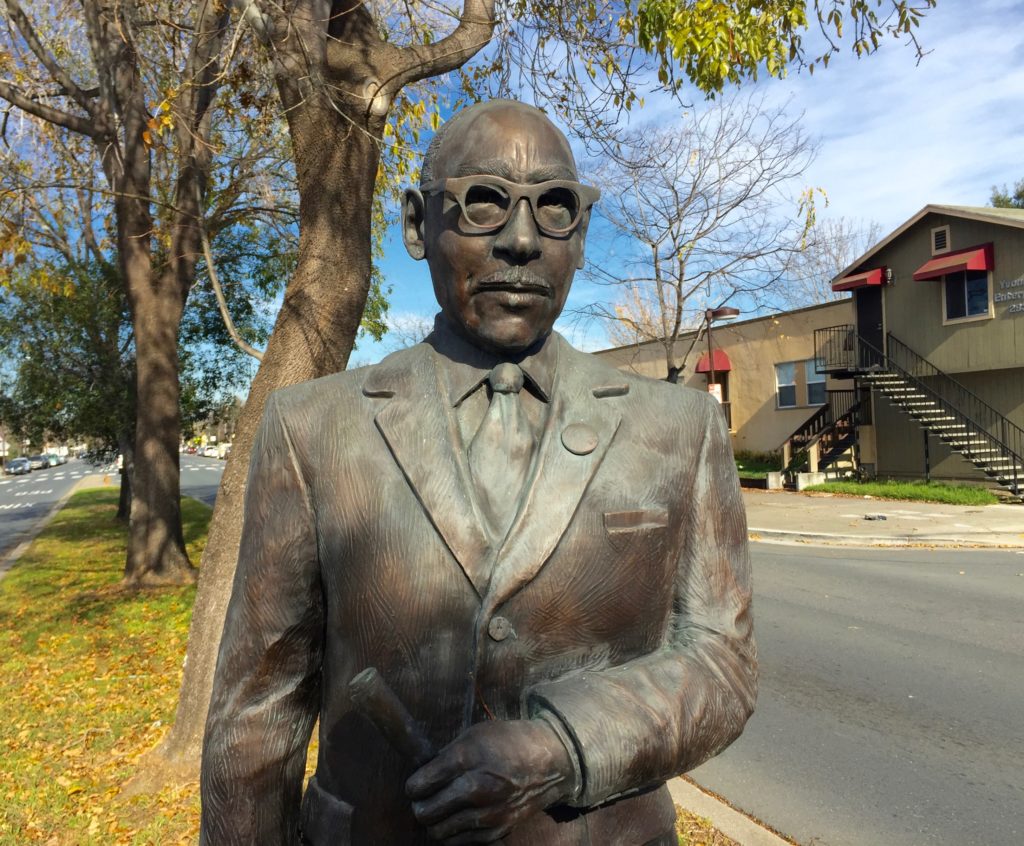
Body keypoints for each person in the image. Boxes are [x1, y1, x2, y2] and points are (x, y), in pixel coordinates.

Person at [200, 99, 756, 846]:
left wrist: (562, 748)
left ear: (581, 235)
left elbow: (720, 664)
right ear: (415, 224)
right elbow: (256, 713)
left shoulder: (681, 430)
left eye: (553, 208)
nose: (521, 240)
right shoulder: (313, 427)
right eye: (483, 203)